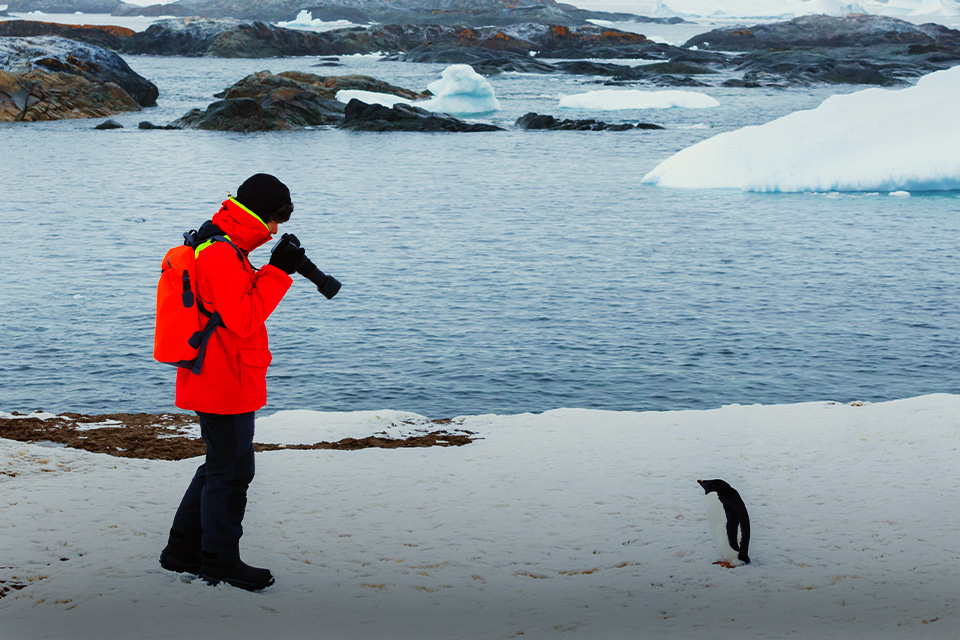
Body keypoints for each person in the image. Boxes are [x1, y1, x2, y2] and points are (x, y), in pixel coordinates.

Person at [158, 173, 309, 591]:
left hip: (221, 374)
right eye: (275, 220)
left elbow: (234, 304)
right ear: (259, 214)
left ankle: (181, 552)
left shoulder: (224, 244)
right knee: (232, 471)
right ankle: (220, 561)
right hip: (223, 378)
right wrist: (278, 273)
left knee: (221, 466)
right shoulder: (221, 253)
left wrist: (271, 270)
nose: (276, 229)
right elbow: (243, 320)